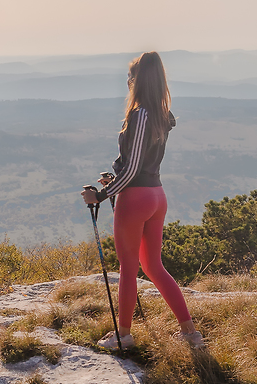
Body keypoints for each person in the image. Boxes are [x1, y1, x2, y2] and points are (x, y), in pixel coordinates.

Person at [83, 52, 205, 352]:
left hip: (135, 199)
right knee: (154, 266)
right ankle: (190, 333)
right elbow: (141, 164)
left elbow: (134, 166)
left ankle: (123, 336)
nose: (129, 82)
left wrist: (101, 195)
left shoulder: (140, 115)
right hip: (156, 195)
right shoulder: (163, 114)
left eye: (131, 77)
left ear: (139, 81)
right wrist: (116, 179)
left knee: (128, 268)